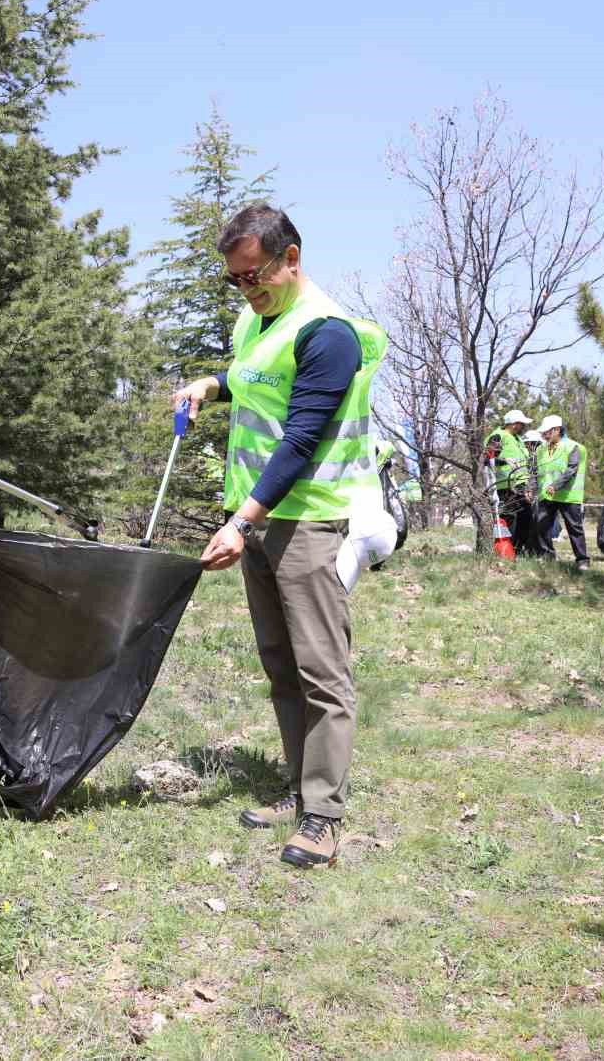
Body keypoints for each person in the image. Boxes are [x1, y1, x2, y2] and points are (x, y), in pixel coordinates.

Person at [171, 203, 391, 869]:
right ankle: (299, 788)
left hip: (310, 521)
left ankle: (324, 817)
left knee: (322, 672)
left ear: (291, 258)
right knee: (280, 663)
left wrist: (241, 521)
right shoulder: (257, 319)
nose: (247, 288)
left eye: (256, 274)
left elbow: (301, 438)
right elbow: (254, 380)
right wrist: (211, 384)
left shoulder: (327, 334)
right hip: (264, 520)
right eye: (235, 279)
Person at [531, 415, 589, 568]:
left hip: (568, 496)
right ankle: (547, 556)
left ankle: (582, 560)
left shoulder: (573, 447)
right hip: (546, 495)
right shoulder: (540, 449)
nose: (544, 435)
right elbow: (535, 471)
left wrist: (555, 486)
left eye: (547, 432)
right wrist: (531, 488)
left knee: (574, 528)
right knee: (542, 526)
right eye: (543, 432)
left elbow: (571, 470)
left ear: (557, 430)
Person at [484, 410, 535, 554]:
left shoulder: (517, 439)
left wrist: (528, 486)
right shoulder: (498, 436)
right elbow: (487, 458)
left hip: (520, 485)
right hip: (504, 486)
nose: (524, 426)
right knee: (508, 519)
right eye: (521, 423)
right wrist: (504, 461)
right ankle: (505, 550)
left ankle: (518, 549)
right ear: (513, 424)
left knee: (526, 517)